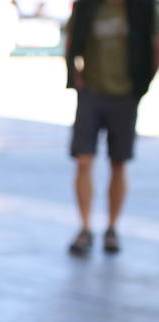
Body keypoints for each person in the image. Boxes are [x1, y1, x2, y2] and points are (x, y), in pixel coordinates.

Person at [64, 0, 157, 256]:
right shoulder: (88, 5)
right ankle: (84, 228)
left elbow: (154, 45)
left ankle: (112, 227)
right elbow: (72, 38)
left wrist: (142, 85)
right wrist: (74, 73)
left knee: (119, 161)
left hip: (125, 94)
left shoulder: (144, 7)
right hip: (91, 93)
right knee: (83, 159)